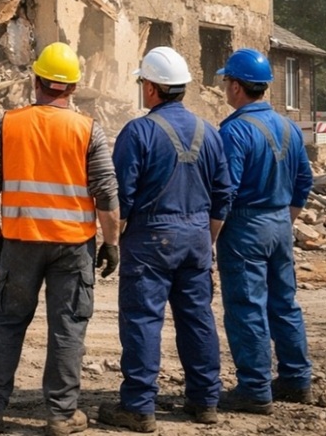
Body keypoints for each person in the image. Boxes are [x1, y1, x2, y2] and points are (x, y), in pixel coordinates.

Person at [0, 42, 121, 436]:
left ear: (36, 81)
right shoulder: (87, 129)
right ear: (73, 88)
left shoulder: (10, 124)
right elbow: (107, 194)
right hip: (73, 247)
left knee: (7, 322)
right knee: (68, 327)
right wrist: (112, 242)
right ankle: (62, 415)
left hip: (20, 242)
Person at [98, 47, 232, 433]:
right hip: (196, 238)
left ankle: (139, 407)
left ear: (153, 88)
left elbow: (120, 194)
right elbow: (222, 195)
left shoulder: (138, 132)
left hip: (151, 239)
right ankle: (205, 401)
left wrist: (111, 239)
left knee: (142, 320)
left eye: (143, 82)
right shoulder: (211, 132)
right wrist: (206, 239)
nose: (141, 88)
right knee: (198, 319)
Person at [215, 48, 314, 413]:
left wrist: (211, 235)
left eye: (227, 81)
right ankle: (296, 380)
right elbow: (305, 180)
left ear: (237, 87)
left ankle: (254, 389)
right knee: (284, 304)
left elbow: (225, 190)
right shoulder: (289, 127)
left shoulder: (235, 130)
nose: (226, 88)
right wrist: (285, 220)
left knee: (246, 307)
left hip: (245, 226)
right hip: (279, 224)